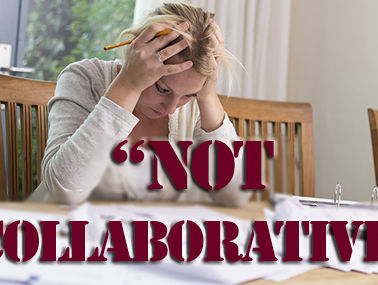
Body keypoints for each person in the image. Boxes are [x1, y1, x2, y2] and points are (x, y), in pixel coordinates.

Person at [28, 2, 251, 207]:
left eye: (188, 95)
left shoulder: (196, 101)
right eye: (162, 89)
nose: (172, 108)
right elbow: (64, 190)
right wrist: (128, 85)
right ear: (138, 54)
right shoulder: (84, 78)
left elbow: (234, 195)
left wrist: (207, 94)